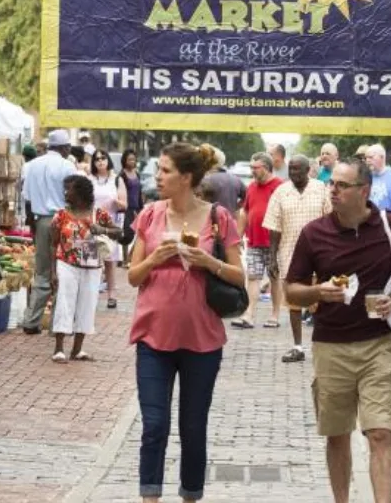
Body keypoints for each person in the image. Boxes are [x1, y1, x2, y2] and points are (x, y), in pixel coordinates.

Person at [285, 158, 391, 503]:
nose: (333, 190)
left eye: (341, 185)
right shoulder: (314, 233)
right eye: (332, 184)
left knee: (380, 433)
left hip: (380, 344)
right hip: (331, 346)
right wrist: (318, 292)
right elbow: (291, 290)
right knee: (337, 435)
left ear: (364, 191)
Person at [128, 143, 244, 503]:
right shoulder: (149, 215)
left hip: (203, 341)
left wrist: (208, 262)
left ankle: (190, 496)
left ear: (186, 177)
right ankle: (150, 497)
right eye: (158, 170)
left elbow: (240, 276)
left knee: (193, 429)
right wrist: (155, 258)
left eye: (164, 171)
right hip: (153, 337)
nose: (157, 177)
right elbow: (133, 276)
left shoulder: (218, 218)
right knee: (154, 426)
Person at [263, 155, 331, 363]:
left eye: (297, 170)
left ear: (308, 170)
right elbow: (274, 227)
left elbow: (331, 220)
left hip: (319, 256)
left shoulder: (321, 189)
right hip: (289, 254)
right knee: (294, 302)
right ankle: (297, 347)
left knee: (321, 301)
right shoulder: (281, 192)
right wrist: (272, 258)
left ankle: (323, 346)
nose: (293, 174)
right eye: (290, 170)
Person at [50, 175, 121, 362]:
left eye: (70, 189)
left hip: (92, 266)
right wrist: (52, 271)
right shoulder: (61, 215)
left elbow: (119, 232)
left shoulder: (99, 214)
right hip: (67, 263)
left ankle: (77, 350)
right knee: (65, 303)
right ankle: (59, 349)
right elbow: (53, 243)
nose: (66, 192)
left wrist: (103, 230)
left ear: (80, 193)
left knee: (87, 305)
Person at [21, 129, 77, 334]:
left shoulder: (32, 165)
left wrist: (33, 225)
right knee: (63, 271)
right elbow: (73, 196)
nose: (69, 149)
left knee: (42, 272)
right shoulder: (67, 165)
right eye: (68, 146)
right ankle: (57, 324)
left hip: (40, 221)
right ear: (63, 147)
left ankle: (31, 321)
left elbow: (26, 199)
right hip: (62, 220)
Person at [233, 152, 283, 329]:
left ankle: (275, 315)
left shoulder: (280, 187)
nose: (252, 171)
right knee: (253, 277)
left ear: (267, 168)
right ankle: (250, 314)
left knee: (274, 277)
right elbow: (245, 212)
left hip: (274, 243)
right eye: (251, 167)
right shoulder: (251, 187)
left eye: (256, 168)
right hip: (253, 240)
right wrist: (238, 235)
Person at [91, 148, 127, 308]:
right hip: (92, 223)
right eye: (97, 159)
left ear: (108, 160)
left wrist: (118, 203)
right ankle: (90, 293)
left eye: (103, 158)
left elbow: (125, 204)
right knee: (91, 259)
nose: (100, 161)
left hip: (110, 224)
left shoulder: (117, 179)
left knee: (110, 262)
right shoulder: (89, 178)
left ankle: (112, 294)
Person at [202, 145, 245, 217]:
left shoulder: (203, 179)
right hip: (230, 221)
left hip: (209, 222)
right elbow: (247, 197)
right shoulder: (235, 179)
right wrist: (235, 207)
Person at [118, 149, 144, 267]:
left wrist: (141, 208)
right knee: (127, 233)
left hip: (137, 207)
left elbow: (139, 192)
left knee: (141, 233)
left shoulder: (137, 173)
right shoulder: (121, 175)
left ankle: (131, 257)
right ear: (124, 160)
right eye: (129, 159)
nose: (132, 162)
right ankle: (124, 260)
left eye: (133, 159)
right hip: (126, 208)